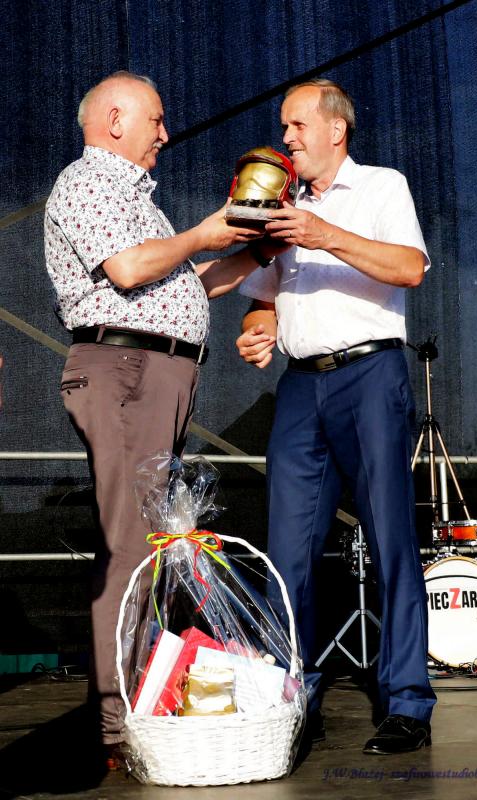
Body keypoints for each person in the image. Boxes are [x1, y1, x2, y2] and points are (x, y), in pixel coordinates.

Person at [44, 71, 265, 764]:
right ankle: (118, 726)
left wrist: (258, 251)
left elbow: (184, 285)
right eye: (157, 120)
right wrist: (203, 233)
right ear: (115, 120)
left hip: (156, 371)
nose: (166, 134)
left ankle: (139, 703)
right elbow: (132, 269)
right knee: (133, 545)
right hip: (127, 370)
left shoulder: (138, 201)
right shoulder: (87, 182)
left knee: (151, 544)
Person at [236, 79, 437, 755]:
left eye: (296, 125)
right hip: (300, 387)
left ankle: (406, 701)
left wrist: (324, 234)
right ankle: (292, 703)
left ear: (334, 130)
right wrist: (258, 328)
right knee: (286, 552)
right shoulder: (281, 206)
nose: (286, 138)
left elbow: (408, 268)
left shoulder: (382, 186)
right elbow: (261, 298)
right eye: (283, 127)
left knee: (390, 540)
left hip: (369, 376)